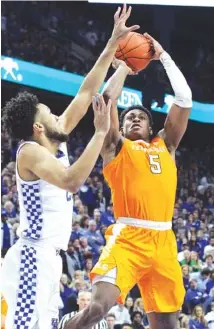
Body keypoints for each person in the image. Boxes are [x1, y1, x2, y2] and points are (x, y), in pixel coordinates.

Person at [1, 4, 138, 326]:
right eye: (48, 113)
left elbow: (89, 91)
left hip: (50, 259)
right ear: (38, 127)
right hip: (32, 256)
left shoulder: (56, 137)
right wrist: (100, 131)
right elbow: (71, 180)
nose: (56, 115)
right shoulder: (29, 152)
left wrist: (116, 55)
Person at [65, 32, 192, 329]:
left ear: (151, 126)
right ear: (120, 126)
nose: (134, 119)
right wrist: (124, 66)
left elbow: (184, 99)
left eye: (141, 117)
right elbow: (108, 99)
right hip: (128, 238)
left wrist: (164, 57)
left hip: (164, 242)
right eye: (129, 117)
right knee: (97, 309)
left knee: (169, 325)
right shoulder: (115, 146)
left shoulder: (166, 145)